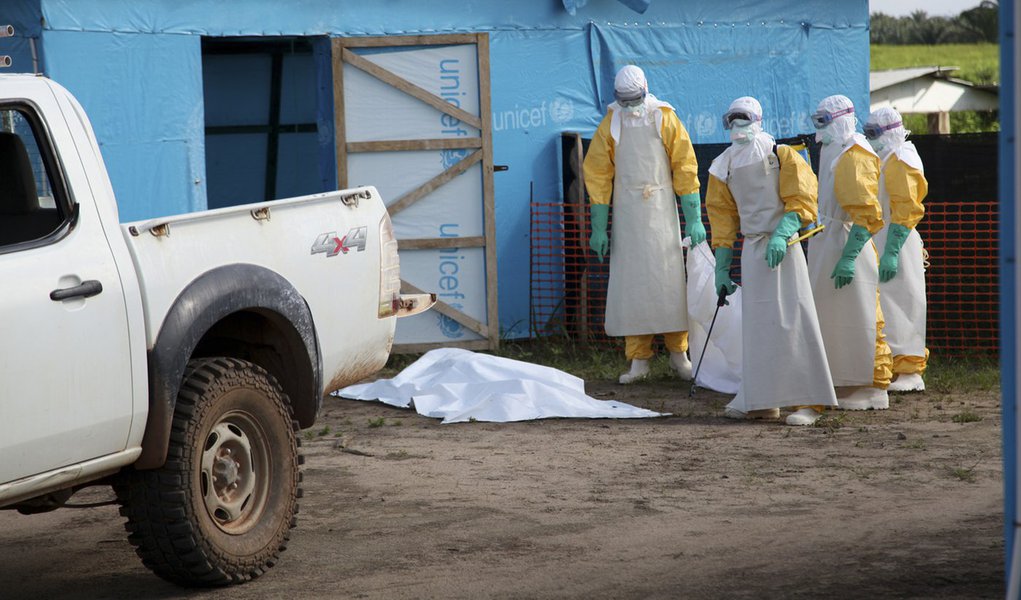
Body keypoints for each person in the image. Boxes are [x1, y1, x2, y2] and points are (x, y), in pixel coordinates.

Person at [706, 96, 838, 425]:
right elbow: (722, 220)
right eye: (732, 121)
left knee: (794, 319)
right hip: (753, 251)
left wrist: (783, 233)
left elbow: (803, 199)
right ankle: (761, 399)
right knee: (759, 328)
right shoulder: (723, 167)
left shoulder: (782, 156)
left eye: (744, 120)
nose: (738, 127)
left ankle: (808, 401)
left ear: (758, 120)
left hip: (784, 247)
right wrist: (722, 268)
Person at [583, 65, 704, 384]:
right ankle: (639, 359)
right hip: (628, 215)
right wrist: (599, 227)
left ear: (645, 92)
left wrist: (693, 217)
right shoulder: (611, 123)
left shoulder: (664, 117)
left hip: (662, 211)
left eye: (634, 99)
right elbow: (597, 173)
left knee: (669, 283)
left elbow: (685, 164)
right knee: (632, 286)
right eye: (624, 100)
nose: (630, 106)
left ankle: (680, 354)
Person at [805, 95, 893, 420]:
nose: (820, 130)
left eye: (824, 122)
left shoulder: (855, 154)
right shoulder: (834, 149)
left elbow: (867, 213)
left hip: (845, 244)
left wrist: (848, 257)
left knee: (863, 315)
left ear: (840, 120)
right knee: (834, 316)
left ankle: (874, 387)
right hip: (827, 241)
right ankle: (844, 383)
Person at [864, 107, 929, 392]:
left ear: (890, 130)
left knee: (904, 302)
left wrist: (892, 250)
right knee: (887, 304)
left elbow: (907, 207)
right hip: (883, 239)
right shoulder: (885, 158)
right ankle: (890, 365)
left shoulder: (902, 158)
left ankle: (911, 371)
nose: (871, 139)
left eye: (875, 133)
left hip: (898, 241)